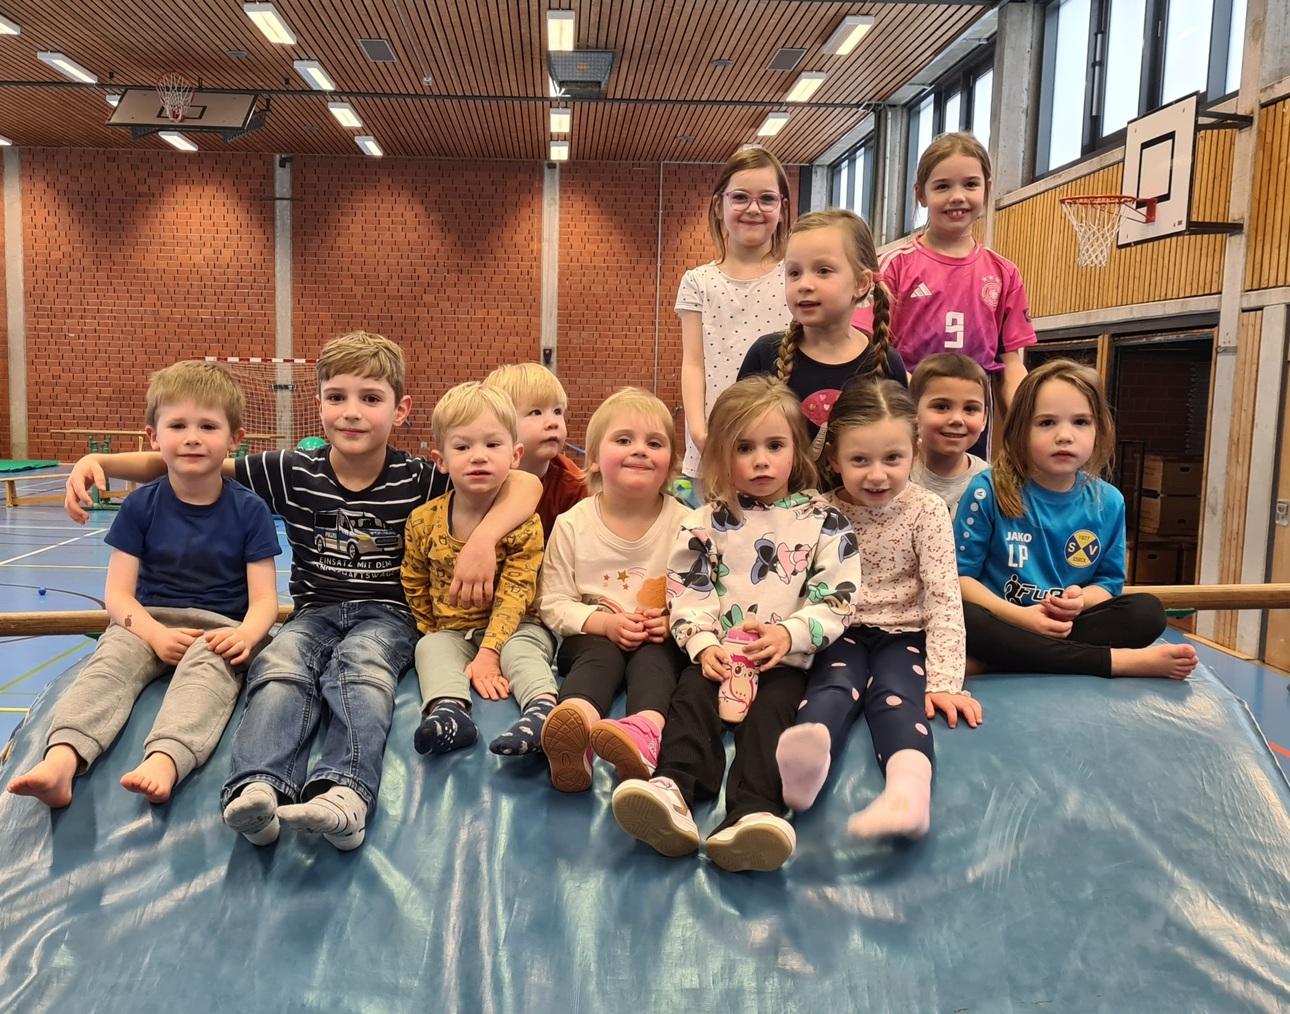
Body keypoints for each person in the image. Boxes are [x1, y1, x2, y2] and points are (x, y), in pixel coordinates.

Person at [63, 332, 541, 850]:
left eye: (371, 399)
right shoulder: (292, 471)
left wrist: (485, 538)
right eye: (337, 398)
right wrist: (102, 465)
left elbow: (523, 484)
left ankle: (346, 791)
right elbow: (185, 461)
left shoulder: (422, 477)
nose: (352, 412)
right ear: (318, 406)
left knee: (359, 667)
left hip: (388, 615)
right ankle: (258, 788)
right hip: (313, 611)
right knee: (280, 666)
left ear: (400, 411)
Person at [610, 376, 861, 872]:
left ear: (797, 449)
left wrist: (791, 634)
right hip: (718, 658)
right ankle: (674, 790)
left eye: (775, 445)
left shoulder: (823, 521)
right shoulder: (703, 521)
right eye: (745, 448)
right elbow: (688, 590)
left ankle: (751, 813)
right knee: (689, 705)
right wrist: (703, 645)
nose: (761, 460)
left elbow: (839, 595)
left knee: (772, 721)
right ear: (723, 456)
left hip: (782, 660)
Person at [7, 361, 281, 809]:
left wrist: (246, 636)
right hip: (146, 623)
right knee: (107, 667)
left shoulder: (249, 511)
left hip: (216, 628)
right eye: (178, 425)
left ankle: (166, 759)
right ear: (153, 436)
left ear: (235, 440)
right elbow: (117, 595)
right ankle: (61, 760)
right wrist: (152, 633)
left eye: (208, 426)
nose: (192, 436)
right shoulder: (140, 507)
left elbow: (265, 599)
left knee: (206, 680)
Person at [776, 379, 979, 842]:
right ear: (834, 459)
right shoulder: (820, 513)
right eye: (859, 460)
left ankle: (908, 796)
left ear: (915, 451)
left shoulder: (925, 510)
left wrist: (946, 680)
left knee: (897, 697)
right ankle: (808, 760)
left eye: (892, 459)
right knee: (832, 685)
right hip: (837, 629)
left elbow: (944, 596)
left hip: (904, 634)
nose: (877, 475)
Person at [956, 359, 1199, 680]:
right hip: (1003, 620)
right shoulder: (988, 489)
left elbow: (1108, 584)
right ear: (1019, 430)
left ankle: (1000, 661)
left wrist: (1079, 601)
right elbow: (960, 580)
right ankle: (1116, 662)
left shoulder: (1108, 501)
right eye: (1046, 423)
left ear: (1099, 429)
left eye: (1081, 422)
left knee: (1148, 613)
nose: (1065, 436)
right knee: (964, 617)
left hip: (1064, 626)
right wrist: (1022, 617)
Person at [536, 388, 689, 792]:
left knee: (657, 662)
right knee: (598, 659)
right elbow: (551, 601)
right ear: (594, 460)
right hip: (591, 638)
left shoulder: (687, 524)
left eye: (653, 443)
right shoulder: (573, 523)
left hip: (657, 638)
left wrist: (674, 621)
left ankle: (644, 735)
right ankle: (575, 729)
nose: (639, 450)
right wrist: (602, 623)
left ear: (671, 464)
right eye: (623, 440)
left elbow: (704, 593)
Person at [402, 382, 556, 758]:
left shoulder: (523, 524)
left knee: (523, 651)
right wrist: (434, 628)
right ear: (441, 460)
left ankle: (542, 711)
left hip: (517, 626)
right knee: (430, 647)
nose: (478, 457)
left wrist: (490, 651)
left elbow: (516, 591)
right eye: (462, 447)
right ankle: (450, 712)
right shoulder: (423, 521)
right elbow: (413, 579)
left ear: (516, 455)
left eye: (492, 445)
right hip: (453, 630)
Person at [857, 132, 1036, 454]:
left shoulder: (1004, 273)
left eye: (970, 184)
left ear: (988, 189)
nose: (957, 196)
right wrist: (923, 401)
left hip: (970, 425)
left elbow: (1011, 362)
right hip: (906, 418)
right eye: (942, 186)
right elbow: (867, 349)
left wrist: (1031, 417)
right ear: (921, 195)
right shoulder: (895, 266)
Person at [676, 146, 794, 503]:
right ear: (719, 205)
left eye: (766, 199)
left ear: (782, 208)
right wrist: (699, 431)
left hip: (777, 440)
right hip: (716, 436)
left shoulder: (794, 276)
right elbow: (693, 363)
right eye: (740, 197)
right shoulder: (698, 281)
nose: (753, 208)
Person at [738, 209, 906, 460]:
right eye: (794, 273)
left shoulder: (886, 363)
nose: (804, 284)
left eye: (823, 271)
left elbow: (900, 448)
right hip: (781, 498)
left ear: (861, 283)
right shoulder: (765, 354)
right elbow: (737, 437)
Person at [484, 362, 586, 538]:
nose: (553, 422)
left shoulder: (573, 487)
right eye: (536, 412)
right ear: (501, 422)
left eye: (557, 411)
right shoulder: (479, 473)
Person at [909, 353, 990, 518]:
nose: (956, 419)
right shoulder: (897, 476)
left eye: (970, 409)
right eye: (941, 406)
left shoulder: (992, 484)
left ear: (984, 418)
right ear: (912, 410)